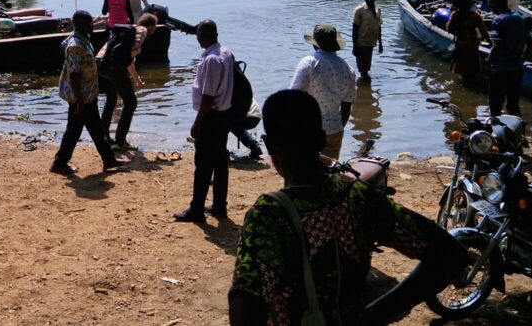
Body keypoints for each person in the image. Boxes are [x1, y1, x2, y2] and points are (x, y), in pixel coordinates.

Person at [229, 90, 467, 326]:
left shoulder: (269, 215)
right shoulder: (357, 196)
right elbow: (450, 254)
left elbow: (246, 308)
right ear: (322, 139)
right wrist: (375, 314)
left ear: (269, 145)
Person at [50, 10, 128, 175]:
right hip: (81, 96)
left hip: (87, 93)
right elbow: (74, 75)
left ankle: (108, 160)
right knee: (76, 131)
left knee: (93, 128)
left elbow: (63, 44)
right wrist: (79, 101)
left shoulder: (80, 39)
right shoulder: (76, 46)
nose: (92, 25)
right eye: (89, 23)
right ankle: (59, 163)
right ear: (79, 25)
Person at [174, 19, 236, 222]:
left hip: (212, 117)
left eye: (199, 34)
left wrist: (197, 123)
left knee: (203, 164)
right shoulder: (226, 52)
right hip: (225, 114)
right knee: (220, 162)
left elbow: (208, 98)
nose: (198, 39)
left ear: (203, 34)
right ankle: (219, 206)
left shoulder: (211, 60)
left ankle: (197, 210)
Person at [289, 23, 356, 164]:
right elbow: (346, 106)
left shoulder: (309, 63)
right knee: (329, 173)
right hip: (335, 130)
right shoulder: (348, 69)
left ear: (315, 44)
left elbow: (293, 98)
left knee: (305, 170)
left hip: (309, 128)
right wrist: (339, 126)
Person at [100, 12, 158, 150]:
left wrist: (137, 79)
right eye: (154, 27)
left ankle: (103, 137)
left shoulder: (125, 32)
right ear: (150, 25)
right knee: (131, 102)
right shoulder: (142, 30)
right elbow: (134, 49)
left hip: (101, 64)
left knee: (111, 98)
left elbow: (127, 59)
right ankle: (120, 141)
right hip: (114, 66)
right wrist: (137, 51)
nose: (153, 31)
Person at [486, 0, 527, 117]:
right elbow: (525, 41)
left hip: (501, 69)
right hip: (517, 67)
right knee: (513, 103)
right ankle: (519, 132)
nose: (491, 8)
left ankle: (495, 130)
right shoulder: (518, 17)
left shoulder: (498, 20)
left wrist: (488, 61)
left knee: (495, 103)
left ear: (497, 4)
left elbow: (497, 45)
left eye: (491, 5)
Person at [446, 0, 490, 79]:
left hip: (461, 44)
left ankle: (463, 82)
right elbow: (483, 32)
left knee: (460, 67)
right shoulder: (475, 15)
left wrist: (458, 32)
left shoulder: (455, 15)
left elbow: (449, 29)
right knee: (472, 65)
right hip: (473, 45)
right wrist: (489, 42)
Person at [351, 0, 383, 80]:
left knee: (367, 65)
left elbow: (379, 26)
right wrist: (354, 46)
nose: (368, 0)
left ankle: (364, 83)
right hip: (361, 42)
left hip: (371, 41)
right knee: (362, 68)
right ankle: (363, 86)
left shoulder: (377, 10)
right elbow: (355, 28)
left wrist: (380, 43)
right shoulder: (359, 10)